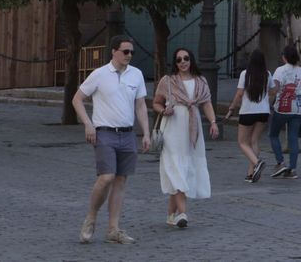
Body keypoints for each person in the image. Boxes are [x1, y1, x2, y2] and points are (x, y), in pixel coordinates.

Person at [72, 36, 151, 246]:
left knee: (120, 180)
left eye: (132, 52)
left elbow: (141, 105)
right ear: (114, 52)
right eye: (126, 51)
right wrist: (88, 124)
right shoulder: (99, 75)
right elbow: (77, 99)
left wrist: (146, 132)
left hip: (127, 134)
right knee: (106, 177)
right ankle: (91, 217)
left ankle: (113, 229)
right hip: (104, 133)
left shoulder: (137, 75)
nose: (130, 55)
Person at [153, 48, 218, 229]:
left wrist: (213, 122)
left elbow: (206, 103)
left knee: (182, 168)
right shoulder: (167, 81)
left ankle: (171, 215)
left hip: (191, 131)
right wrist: (163, 110)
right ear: (175, 63)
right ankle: (183, 213)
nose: (183, 62)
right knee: (175, 168)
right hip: (172, 129)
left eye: (186, 58)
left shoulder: (200, 81)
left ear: (191, 60)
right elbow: (156, 103)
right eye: (179, 59)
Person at [226, 48, 272, 182]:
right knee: (254, 141)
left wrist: (231, 108)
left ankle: (257, 163)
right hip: (263, 111)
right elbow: (273, 89)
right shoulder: (267, 74)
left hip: (248, 111)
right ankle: (251, 173)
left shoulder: (245, 74)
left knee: (242, 142)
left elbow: (239, 94)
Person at [268, 42, 301, 178]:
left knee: (273, 134)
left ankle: (280, 162)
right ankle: (292, 169)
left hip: (282, 108)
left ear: (284, 57)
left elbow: (274, 90)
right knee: (293, 138)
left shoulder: (280, 70)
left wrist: (269, 105)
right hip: (299, 109)